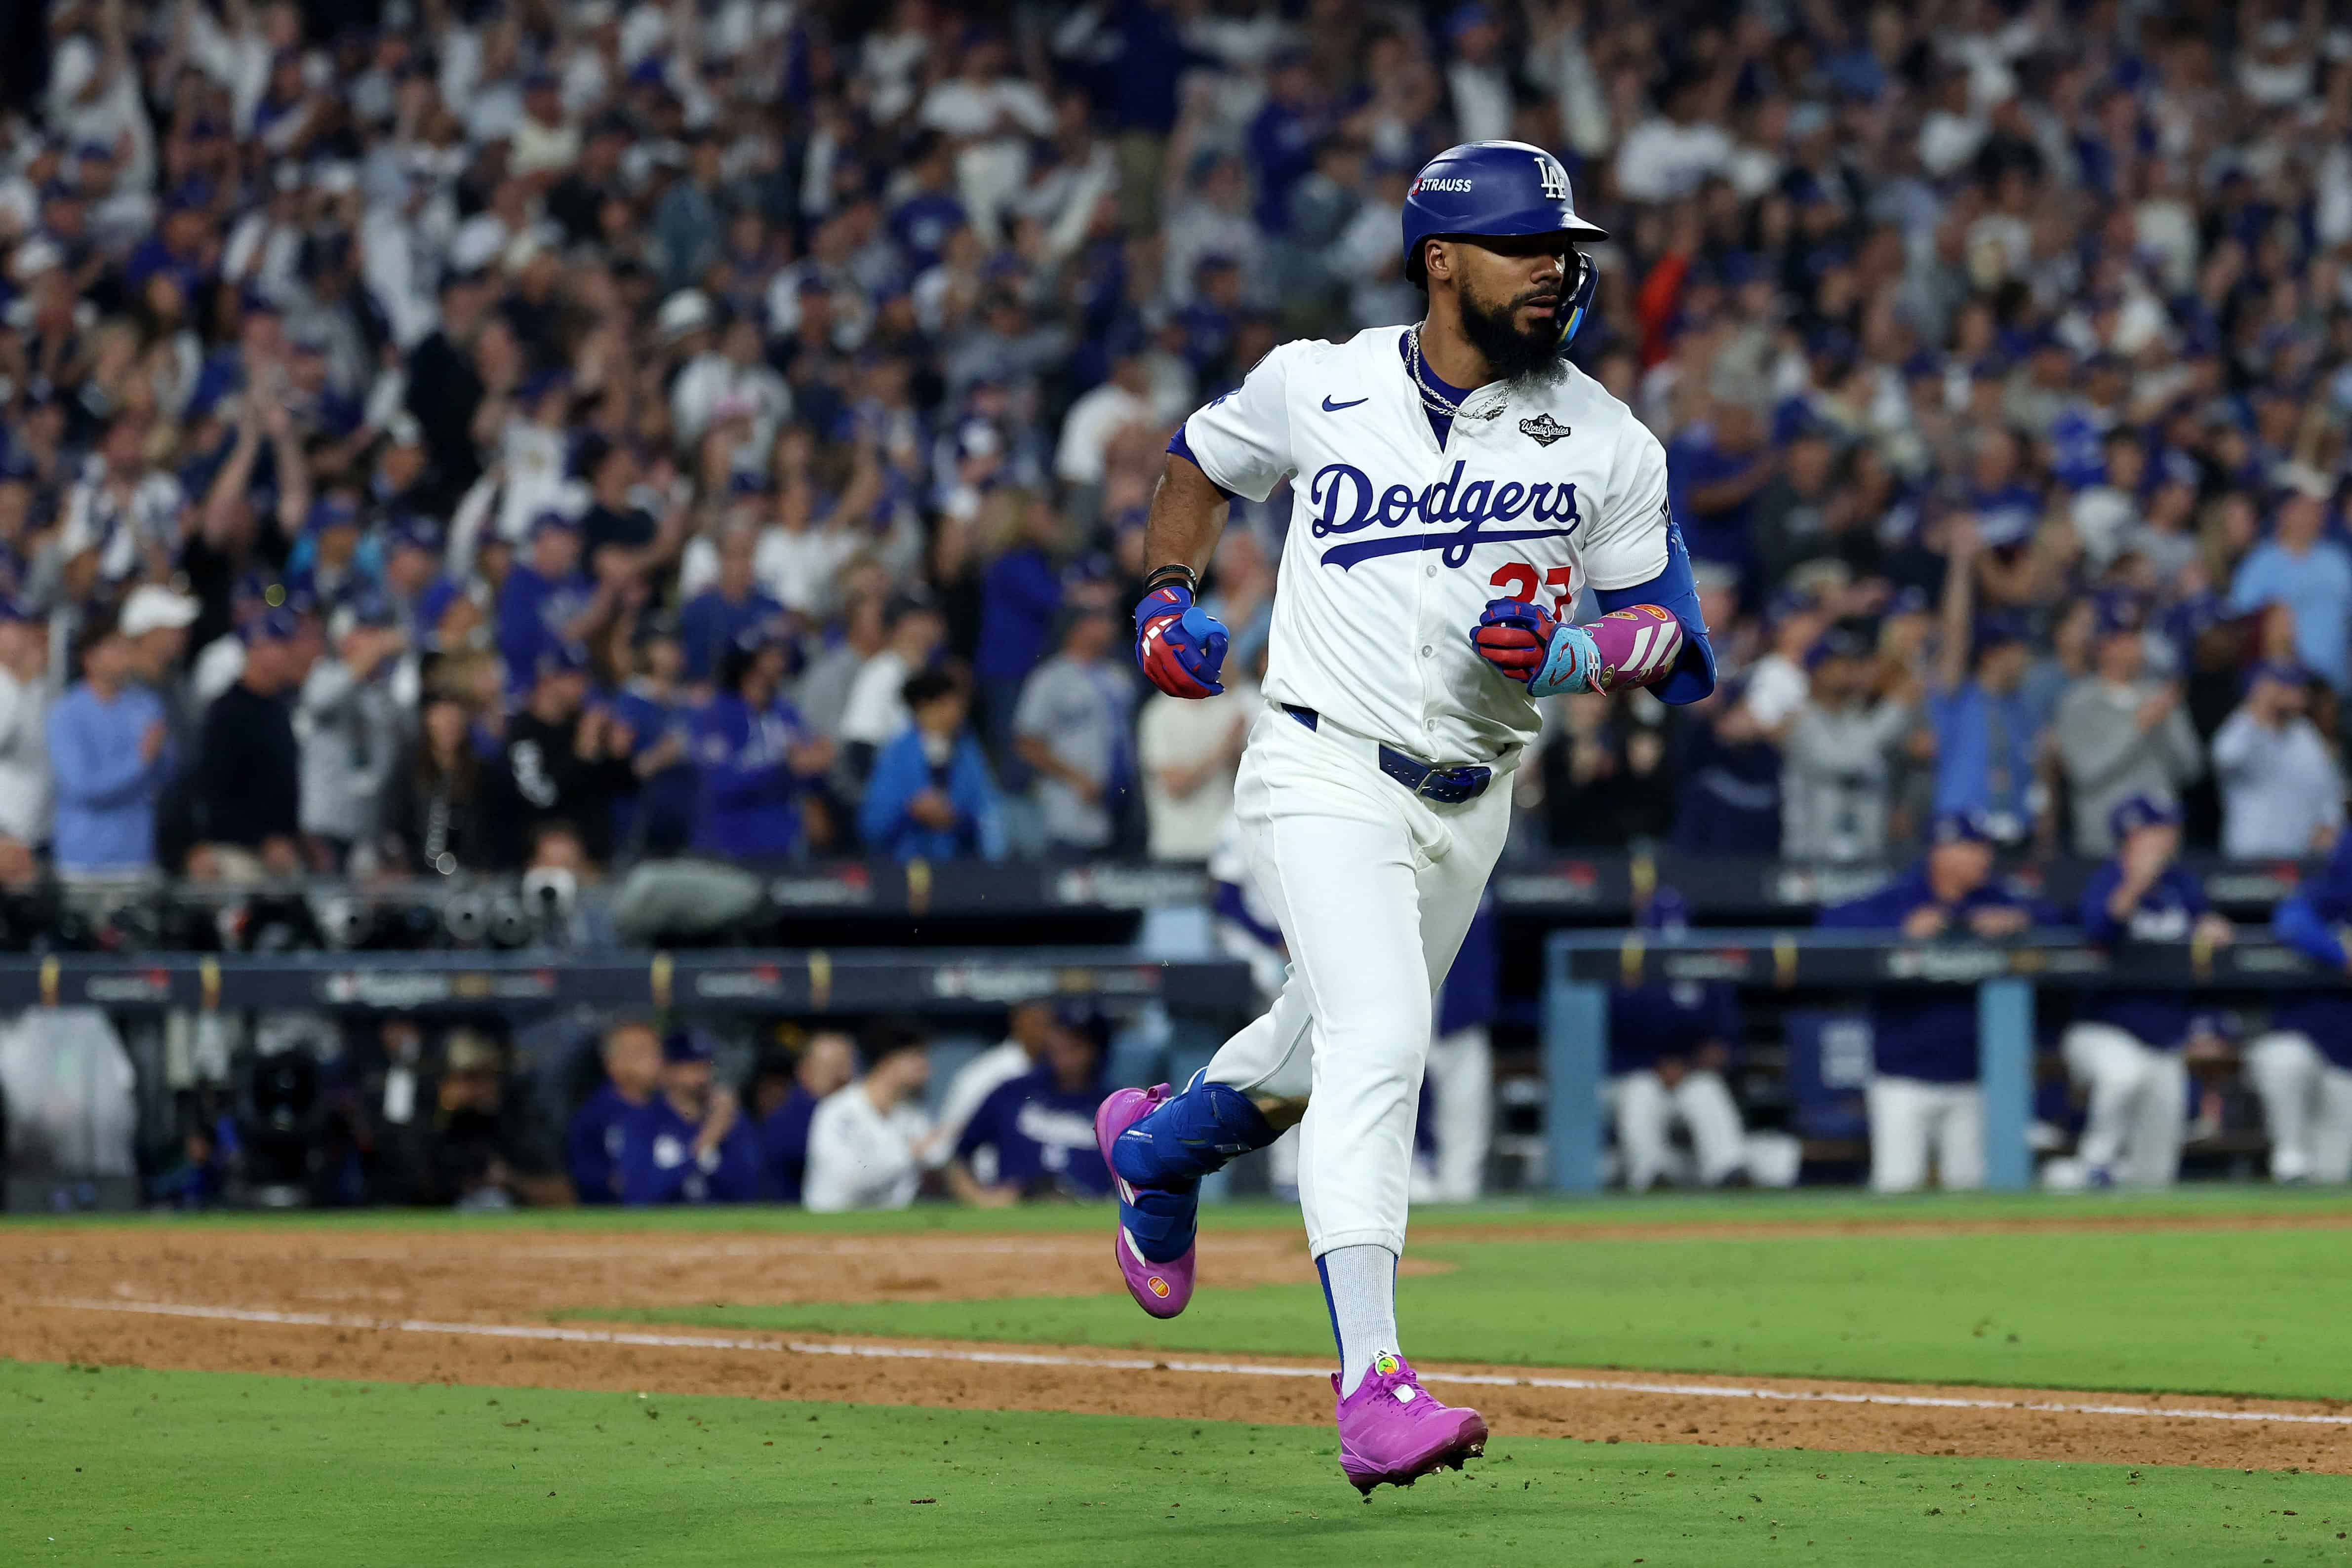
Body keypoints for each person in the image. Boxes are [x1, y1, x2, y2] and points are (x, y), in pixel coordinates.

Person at [1092, 142, 1715, 1493]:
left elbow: (1676, 637)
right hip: (1318, 765)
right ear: (1441, 261)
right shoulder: (1317, 382)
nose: (1554, 270)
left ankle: (1153, 1147)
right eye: (1525, 246)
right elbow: (1197, 463)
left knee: (1311, 1059)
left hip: (1470, 798)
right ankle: (1372, 1386)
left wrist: (1573, 655)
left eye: (1562, 249)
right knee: (1380, 1037)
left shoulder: (1604, 434)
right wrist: (1163, 593)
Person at [1818, 810, 2042, 1193]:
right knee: (1897, 1188)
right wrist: (1898, 933)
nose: (1984, 857)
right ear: (1941, 852)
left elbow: (2059, 919)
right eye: (1973, 848)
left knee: (1970, 1193)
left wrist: (2020, 920)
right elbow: (1830, 927)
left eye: (1984, 848)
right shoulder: (1902, 898)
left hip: (1973, 1077)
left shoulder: (1994, 898)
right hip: (1902, 1076)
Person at [2067, 797, 2233, 1189]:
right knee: (2123, 1075)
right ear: (2131, 835)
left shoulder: (2179, 884)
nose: (2168, 837)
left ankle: (2135, 1210)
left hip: (2163, 1036)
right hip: (2102, 1028)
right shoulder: (2106, 877)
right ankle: (2094, 1163)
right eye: (2157, 829)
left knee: (2157, 1167)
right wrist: (2134, 884)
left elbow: (2205, 923)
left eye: (2169, 828)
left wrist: (2211, 926)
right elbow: (2098, 930)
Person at [1607, 889, 1750, 1191]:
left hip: (1691, 1073)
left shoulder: (1708, 972)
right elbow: (1609, 1044)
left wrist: (1699, 1061)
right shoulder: (1623, 976)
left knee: (1706, 1090)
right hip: (1637, 1074)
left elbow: (1728, 1038)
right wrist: (1654, 1065)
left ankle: (1728, 1171)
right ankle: (1651, 1176)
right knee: (1640, 1093)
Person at [2053, 594, 2202, 857]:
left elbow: (2191, 769)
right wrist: (2138, 726)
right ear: (2102, 646)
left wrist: (2168, 724)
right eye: (2122, 638)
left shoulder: (2161, 697)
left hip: (2159, 844)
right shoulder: (2076, 703)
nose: (2134, 646)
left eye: (2136, 636)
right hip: (2103, 843)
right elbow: (2084, 772)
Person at [1927, 520, 2039, 843]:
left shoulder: (2020, 704)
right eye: (2015, 651)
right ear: (1991, 655)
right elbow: (1955, 634)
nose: (2024, 660)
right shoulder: (1957, 694)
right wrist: (1961, 566)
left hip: (2015, 829)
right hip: (1962, 828)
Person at [2253, 833, 2352, 1182]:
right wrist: (2341, 956)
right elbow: (2291, 922)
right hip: (2306, 1041)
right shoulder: (2321, 895)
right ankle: (2289, 1154)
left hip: (2347, 1066)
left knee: (2331, 1176)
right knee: (2282, 1058)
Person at [49, 610, 175, 880]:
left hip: (137, 856)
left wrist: (160, 756)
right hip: (83, 859)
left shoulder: (146, 704)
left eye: (126, 648)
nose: (124, 656)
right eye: (115, 648)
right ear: (89, 658)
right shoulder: (66, 714)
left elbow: (165, 776)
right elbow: (82, 786)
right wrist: (140, 760)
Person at [690, 627, 836, 860]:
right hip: (728, 848)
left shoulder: (786, 713)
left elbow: (807, 767)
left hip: (783, 847)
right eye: (771, 655)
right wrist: (785, 768)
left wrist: (816, 772)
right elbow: (720, 784)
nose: (780, 662)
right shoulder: (717, 713)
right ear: (749, 663)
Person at [947, 1004, 1114, 1205]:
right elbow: (958, 1157)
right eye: (1060, 1035)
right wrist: (980, 1198)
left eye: (1078, 1040)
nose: (1065, 1046)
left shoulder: (1115, 1106)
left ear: (1096, 1048)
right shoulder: (1012, 1092)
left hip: (1090, 1211)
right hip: (1016, 1212)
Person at [192, 607, 310, 879]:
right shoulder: (226, 712)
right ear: (254, 650)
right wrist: (262, 840)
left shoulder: (279, 708)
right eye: (278, 645)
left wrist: (297, 838)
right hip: (237, 852)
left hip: (282, 850)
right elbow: (213, 794)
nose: (287, 654)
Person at [1012, 605, 1136, 854]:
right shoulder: (1050, 678)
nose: (1111, 627)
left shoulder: (1119, 676)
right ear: (1077, 628)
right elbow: (1026, 743)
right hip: (1072, 808)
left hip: (1122, 804)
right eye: (1100, 620)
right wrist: (1076, 778)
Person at [297, 595, 408, 870]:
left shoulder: (385, 691)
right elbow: (319, 700)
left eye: (377, 633)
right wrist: (375, 651)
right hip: (323, 826)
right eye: (365, 633)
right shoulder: (324, 674)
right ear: (343, 638)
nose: (374, 642)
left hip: (368, 828)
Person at [858, 665, 1004, 859]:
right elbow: (873, 823)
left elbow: (989, 814)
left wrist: (957, 818)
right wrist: (912, 811)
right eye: (947, 704)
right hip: (904, 864)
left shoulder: (968, 752)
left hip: (959, 865)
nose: (958, 711)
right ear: (925, 707)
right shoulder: (897, 754)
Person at [2211, 664, 2344, 858]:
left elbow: (2326, 784)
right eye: (2291, 685)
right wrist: (2259, 708)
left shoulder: (2304, 733)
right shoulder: (2243, 726)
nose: (2301, 693)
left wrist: (2330, 821)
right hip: (2250, 856)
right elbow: (2224, 758)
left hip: (2300, 856)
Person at [803, 1020, 935, 1213]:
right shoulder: (837, 1111)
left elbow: (936, 1163)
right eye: (916, 1056)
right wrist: (908, 1154)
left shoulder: (913, 1115)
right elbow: (848, 1179)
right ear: (888, 1061)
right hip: (833, 1223)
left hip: (892, 1224)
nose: (925, 1066)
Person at [1418, 890, 1497, 1203]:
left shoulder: (1477, 876)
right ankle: (1408, 1184)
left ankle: (1461, 1192)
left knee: (1466, 1112)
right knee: (1397, 1105)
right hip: (1403, 1013)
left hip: (1460, 1016)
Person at [619, 1030, 761, 1205]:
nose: (702, 1077)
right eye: (692, 1068)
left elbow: (749, 1190)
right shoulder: (642, 1120)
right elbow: (639, 1194)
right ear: (668, 1071)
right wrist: (706, 1143)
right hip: (665, 1219)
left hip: (719, 1218)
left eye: (706, 1067)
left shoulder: (730, 1119)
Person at [567, 1019, 664, 1206]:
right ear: (613, 1063)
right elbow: (591, 1180)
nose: (656, 1060)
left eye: (657, 1052)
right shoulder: (595, 1116)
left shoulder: (671, 1107)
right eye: (642, 1052)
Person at [758, 1030, 857, 1204]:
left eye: (847, 1066)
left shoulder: (857, 1110)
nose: (843, 1076)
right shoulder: (790, 1117)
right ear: (805, 1070)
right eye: (833, 1067)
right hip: (793, 1213)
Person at [0, 598, 51, 878]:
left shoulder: (39, 685)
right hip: (5, 830)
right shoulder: (13, 684)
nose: (26, 634)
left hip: (39, 827)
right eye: (15, 627)